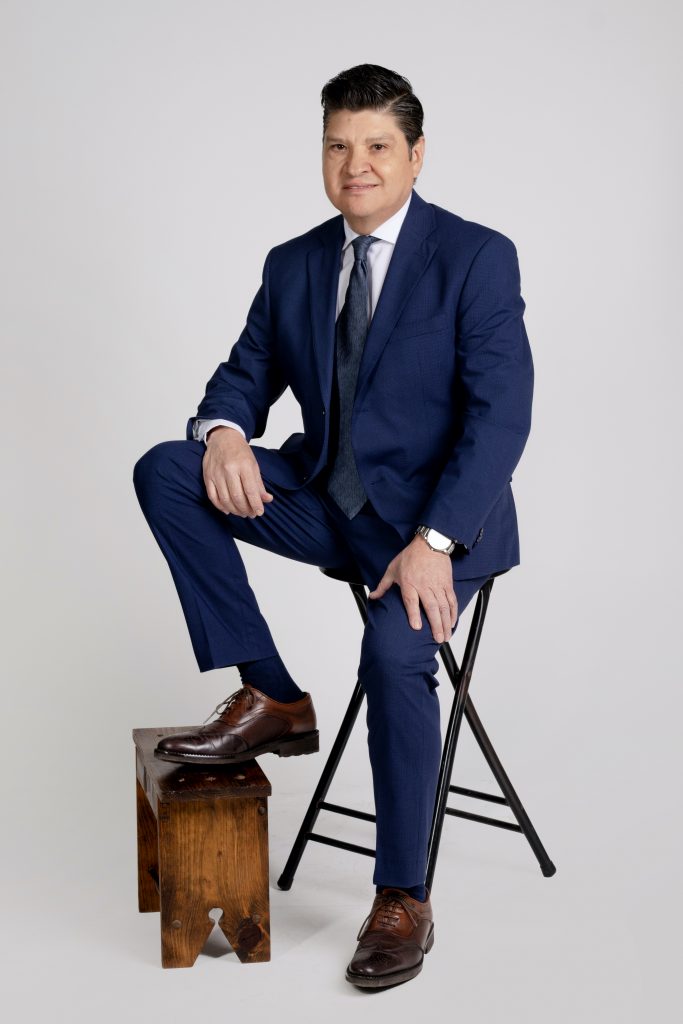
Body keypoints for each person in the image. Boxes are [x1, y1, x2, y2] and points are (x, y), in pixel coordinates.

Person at [133, 63, 534, 989]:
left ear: (416, 155)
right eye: (338, 146)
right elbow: (245, 373)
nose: (356, 165)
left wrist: (435, 543)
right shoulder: (295, 263)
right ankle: (273, 696)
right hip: (328, 504)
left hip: (434, 529)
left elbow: (501, 417)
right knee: (167, 469)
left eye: (377, 146)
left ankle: (402, 896)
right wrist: (224, 432)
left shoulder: (475, 256)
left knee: (392, 656)